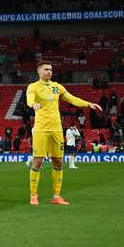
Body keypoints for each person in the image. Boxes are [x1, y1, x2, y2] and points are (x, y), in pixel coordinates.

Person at [26, 61, 102, 205]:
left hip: (56, 129)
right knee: (37, 161)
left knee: (59, 161)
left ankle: (56, 196)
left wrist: (88, 104)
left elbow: (72, 98)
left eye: (51, 69)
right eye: (46, 69)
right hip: (41, 129)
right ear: (39, 71)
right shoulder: (33, 87)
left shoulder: (57, 87)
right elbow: (29, 99)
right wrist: (33, 104)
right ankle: (34, 195)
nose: (49, 71)